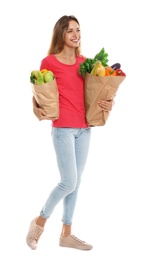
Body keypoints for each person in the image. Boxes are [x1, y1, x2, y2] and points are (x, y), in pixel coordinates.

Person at [26, 15, 114, 251]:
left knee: (76, 184)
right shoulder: (49, 63)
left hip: (85, 129)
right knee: (68, 182)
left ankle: (66, 234)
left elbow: (95, 94)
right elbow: (41, 94)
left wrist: (108, 102)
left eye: (78, 30)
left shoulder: (86, 63)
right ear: (61, 34)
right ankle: (40, 222)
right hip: (62, 129)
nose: (76, 35)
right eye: (70, 31)